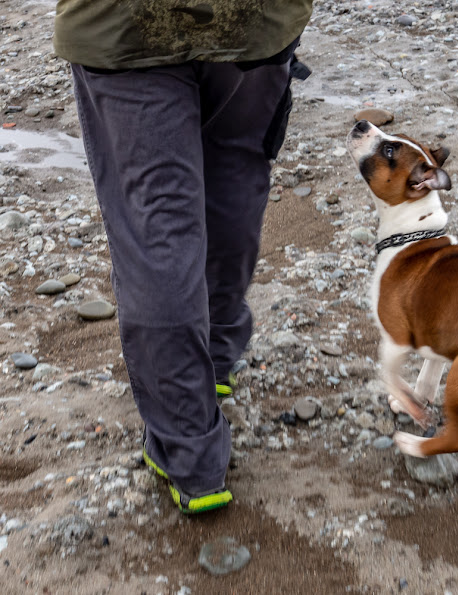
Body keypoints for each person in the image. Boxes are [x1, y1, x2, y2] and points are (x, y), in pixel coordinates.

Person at [53, 1, 313, 513]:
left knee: (158, 228)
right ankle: (214, 357)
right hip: (254, 22)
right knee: (235, 179)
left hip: (124, 26)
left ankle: (191, 453)